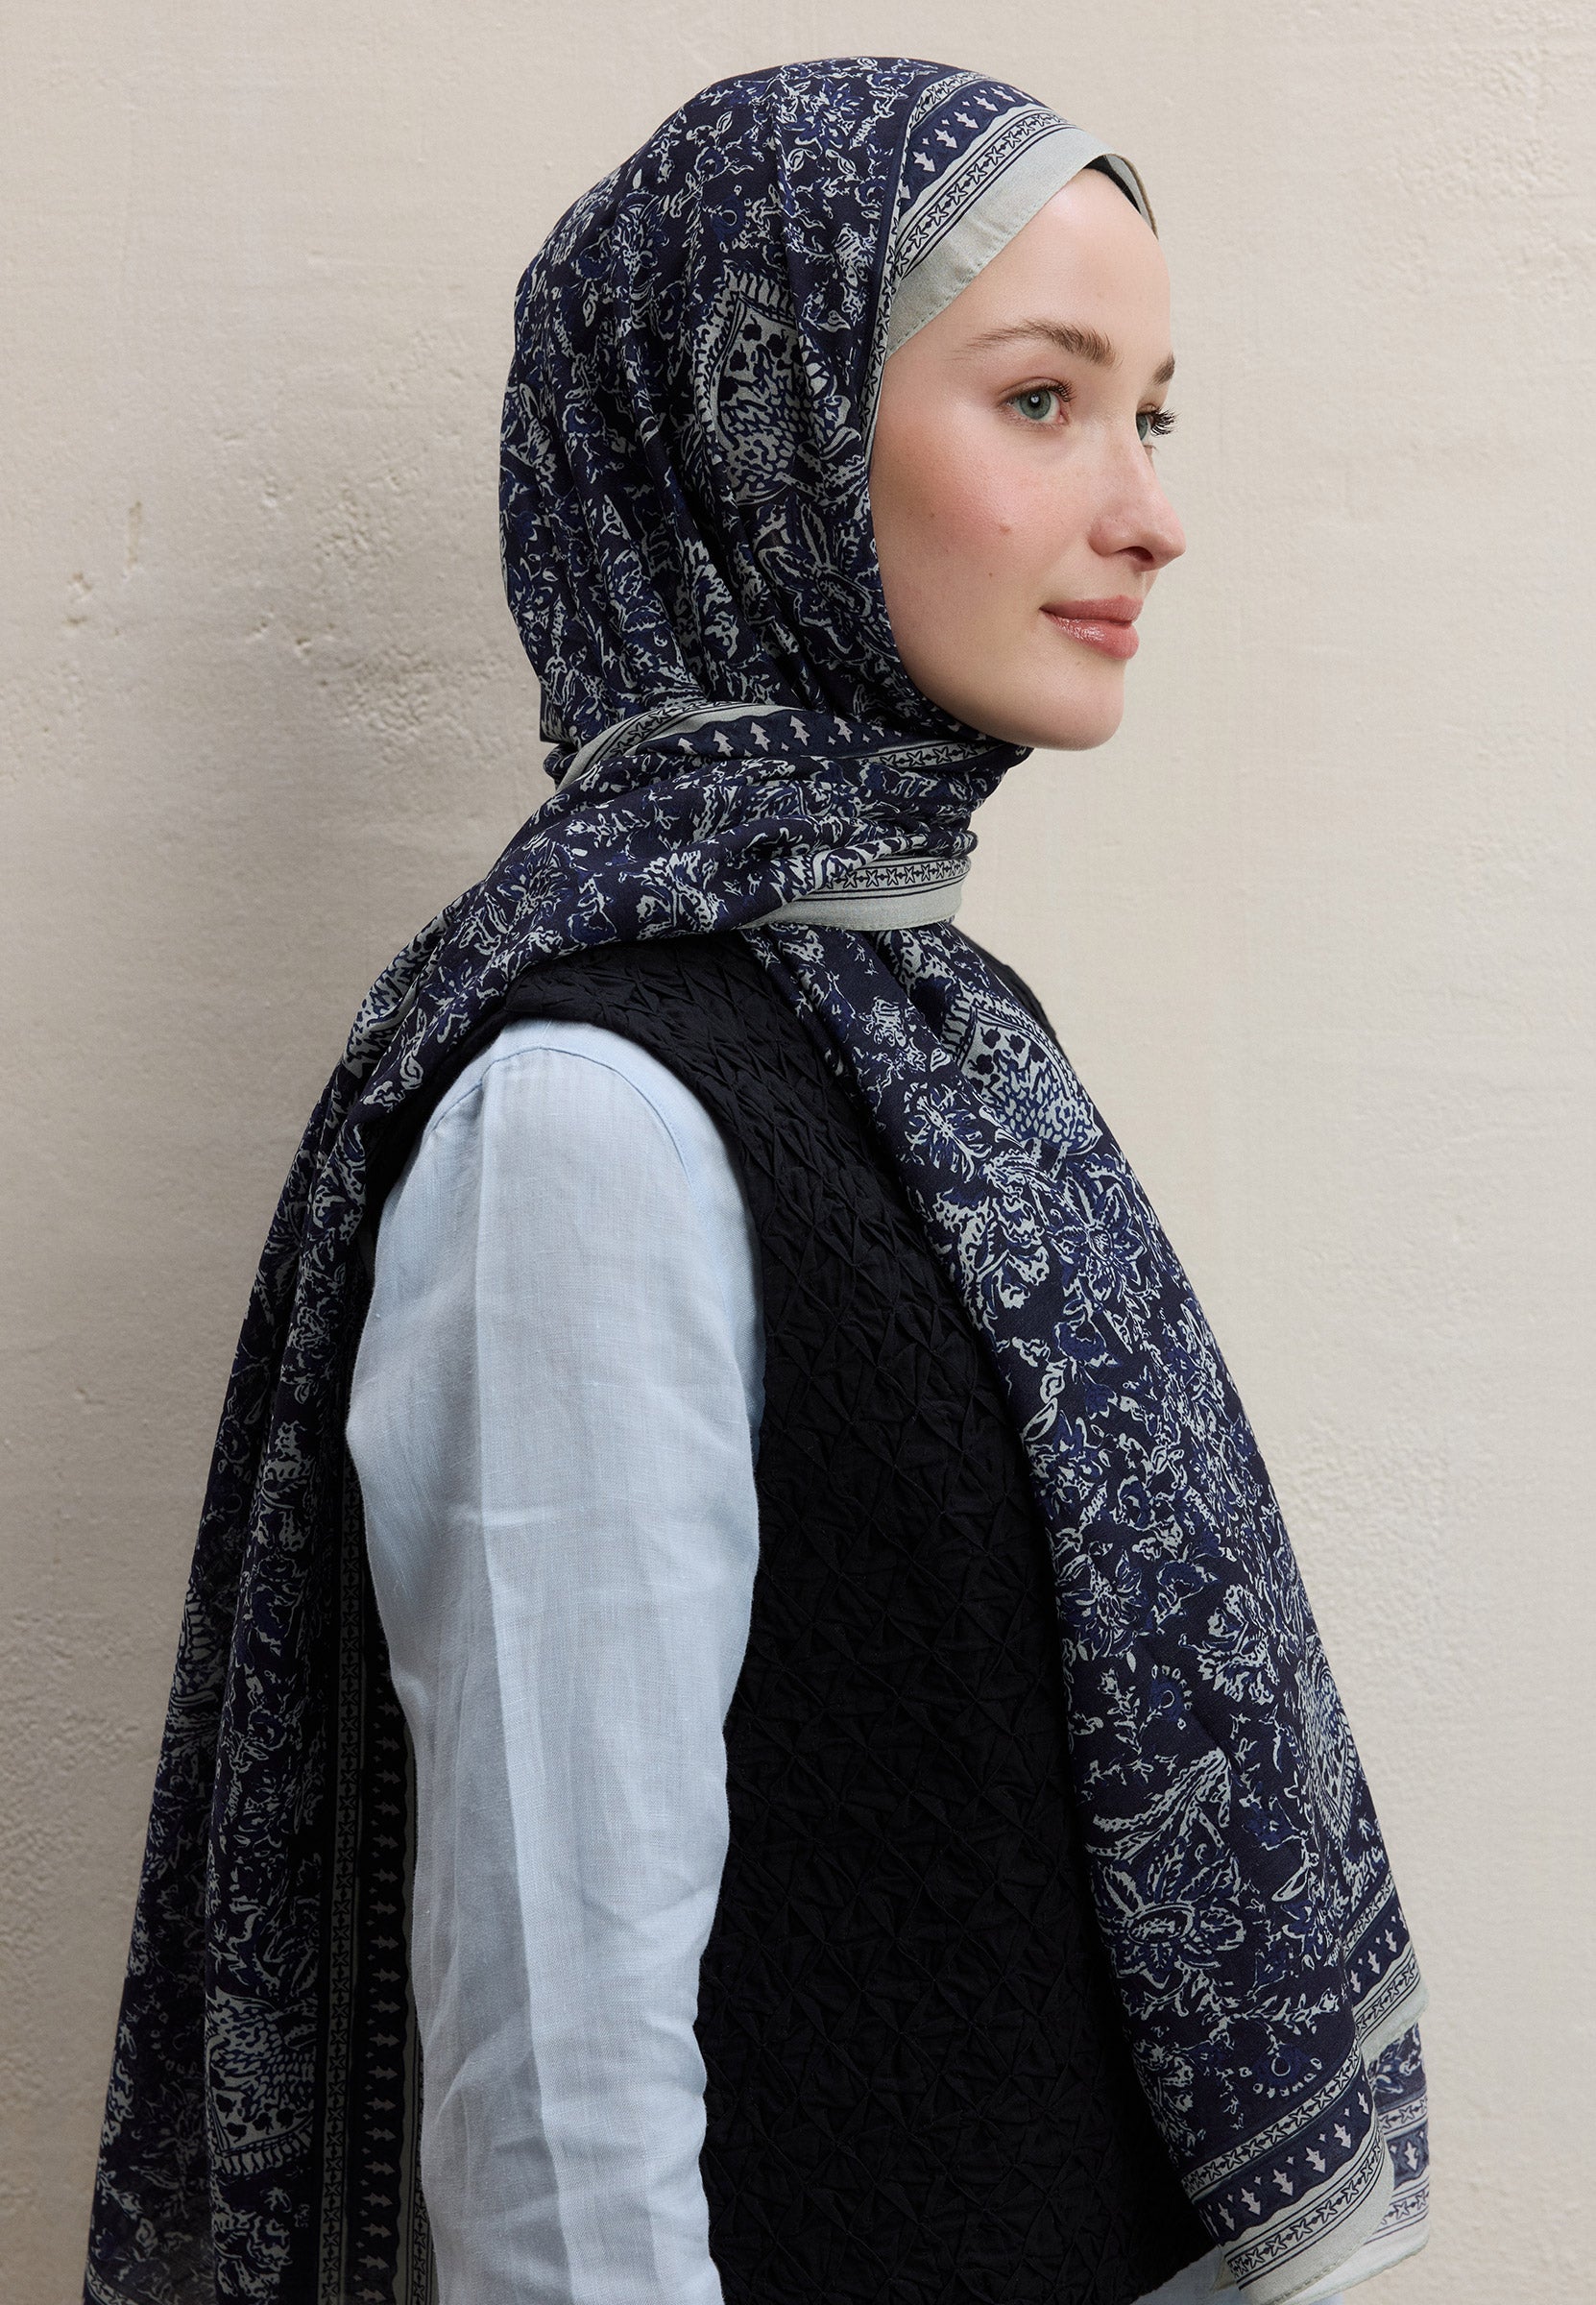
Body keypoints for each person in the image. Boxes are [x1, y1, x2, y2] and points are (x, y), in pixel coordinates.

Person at [85, 58, 1429, 2305]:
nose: (1148, 511)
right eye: (1043, 400)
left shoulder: (934, 1036)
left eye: (1153, 414)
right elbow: (560, 2115)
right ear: (759, 438)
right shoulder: (590, 1127)